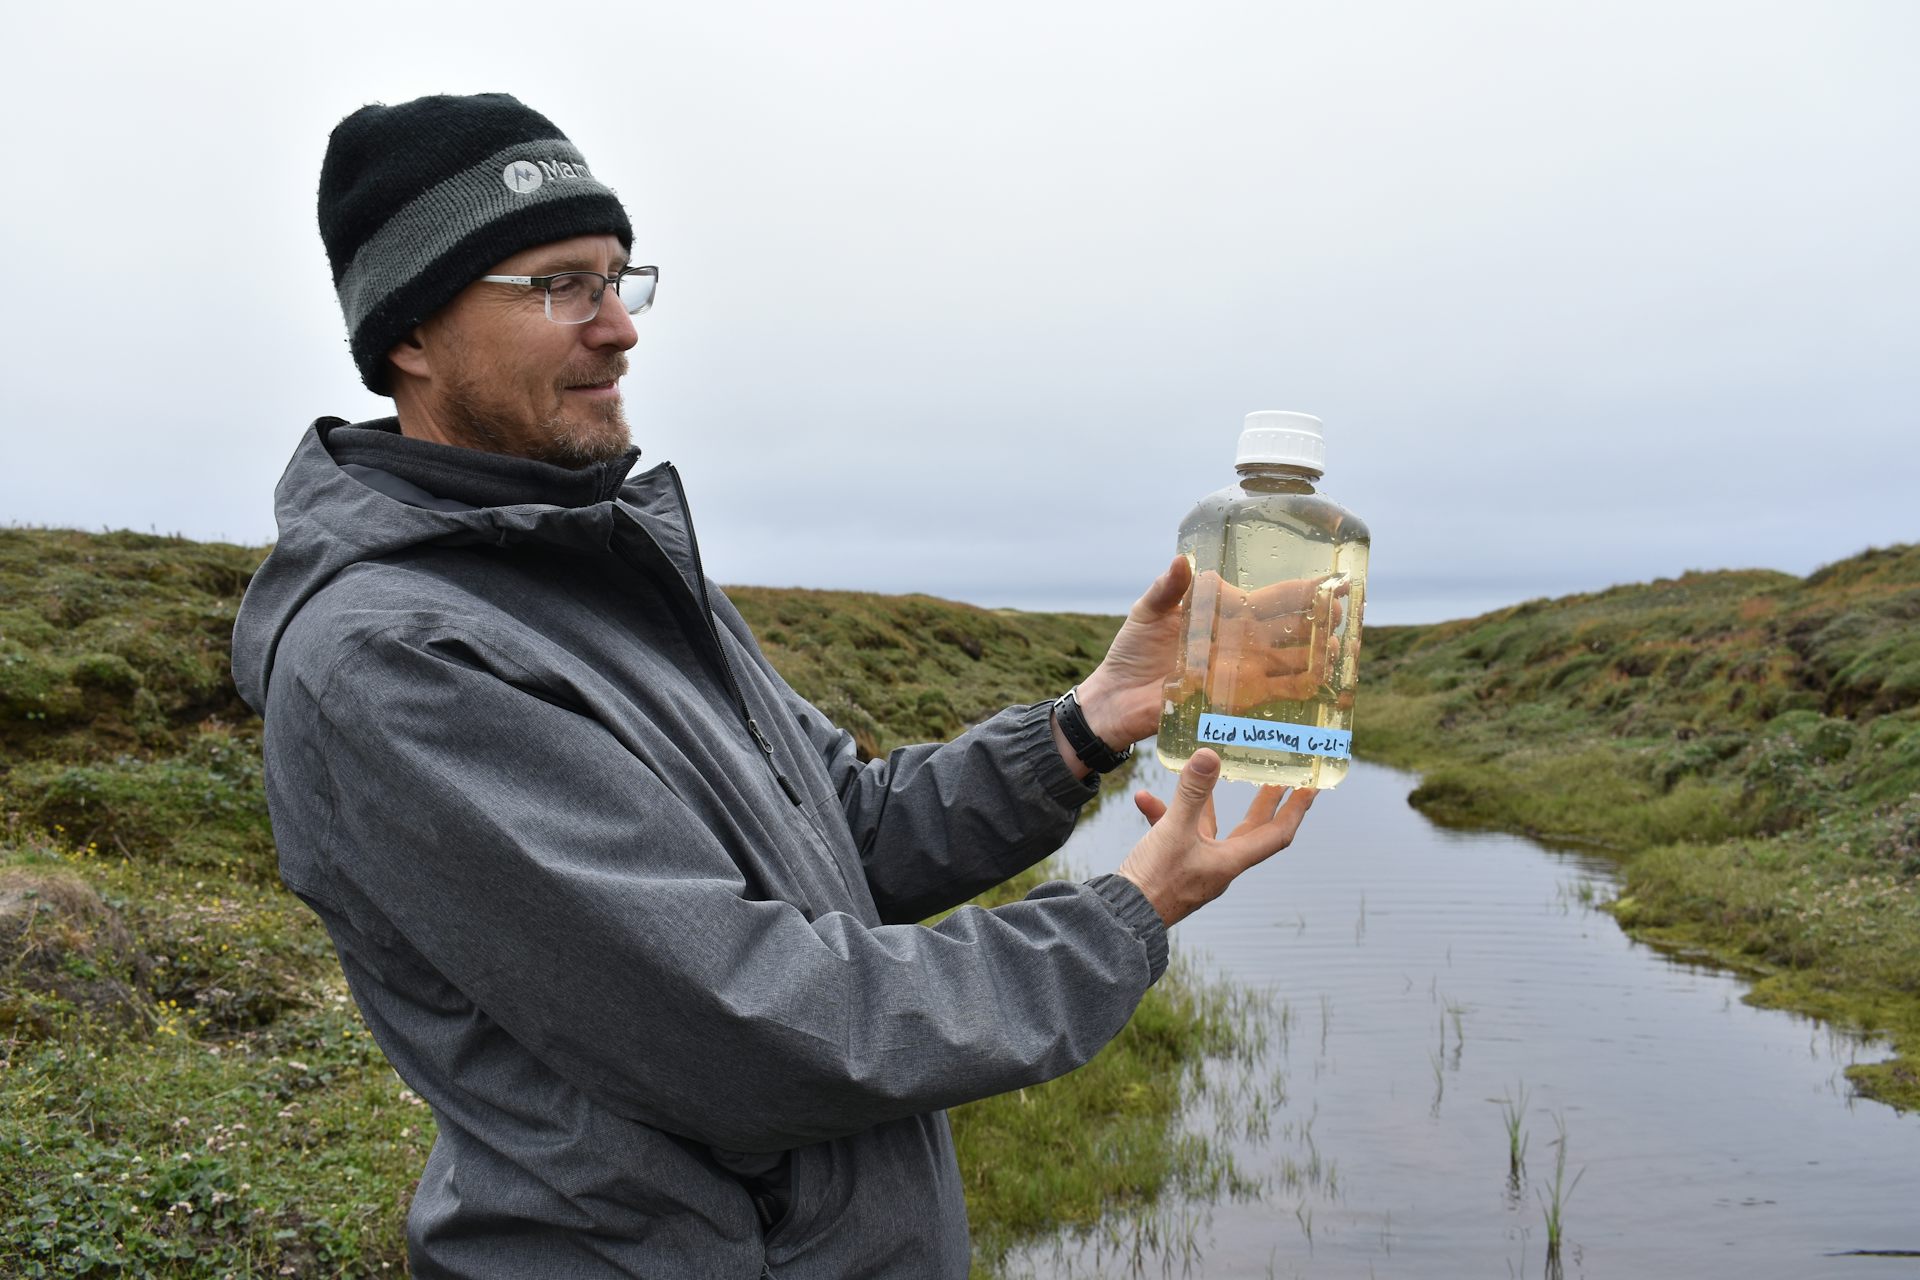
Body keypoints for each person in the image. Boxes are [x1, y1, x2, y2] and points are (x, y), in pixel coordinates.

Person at [231, 92, 1315, 1280]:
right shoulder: (394, 662)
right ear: (410, 337)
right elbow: (753, 1023)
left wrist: (1082, 724)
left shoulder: (607, 560)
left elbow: (842, 828)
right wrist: (1118, 918)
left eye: (620, 278)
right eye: (557, 286)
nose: (618, 329)